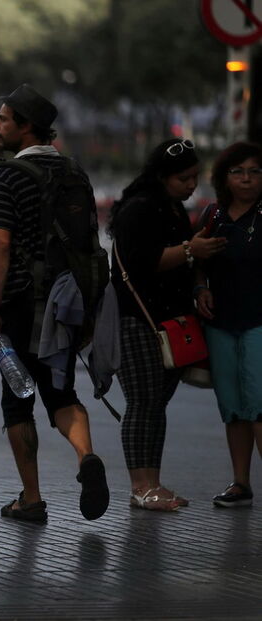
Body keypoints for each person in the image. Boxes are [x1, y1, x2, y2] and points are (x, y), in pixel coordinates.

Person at [0, 84, 109, 522]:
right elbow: (89, 244)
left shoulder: (8, 176)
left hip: (19, 303)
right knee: (61, 391)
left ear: (26, 126)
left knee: (17, 398)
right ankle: (86, 457)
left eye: (3, 119)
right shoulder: (76, 174)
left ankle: (31, 498)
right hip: (68, 303)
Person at [109, 138, 226, 512]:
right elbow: (144, 263)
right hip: (137, 322)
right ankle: (141, 486)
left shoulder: (172, 208)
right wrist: (192, 250)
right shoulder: (139, 210)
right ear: (162, 176)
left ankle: (153, 483)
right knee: (143, 403)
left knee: (155, 405)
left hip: (168, 323)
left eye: (194, 177)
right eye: (183, 179)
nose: (191, 185)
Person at [195, 141, 262, 508]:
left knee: (260, 405)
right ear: (224, 178)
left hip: (259, 322)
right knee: (234, 407)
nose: (247, 179)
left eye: (255, 171)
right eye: (238, 172)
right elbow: (197, 260)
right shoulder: (213, 214)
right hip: (220, 323)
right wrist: (200, 287)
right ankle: (240, 483)